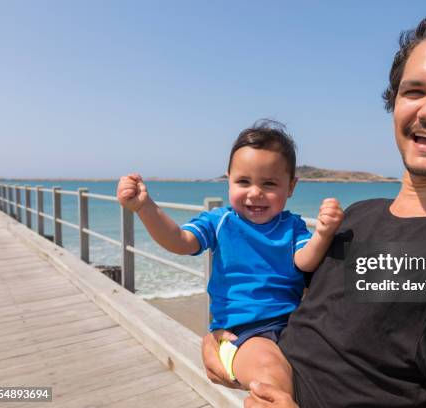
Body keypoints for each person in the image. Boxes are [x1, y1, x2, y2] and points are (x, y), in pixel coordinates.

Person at [202, 16, 426, 407]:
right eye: (414, 91)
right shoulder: (357, 220)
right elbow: (308, 327)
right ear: (394, 104)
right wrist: (231, 348)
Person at [116, 121, 344, 395]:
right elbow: (179, 241)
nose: (255, 192)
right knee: (270, 375)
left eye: (269, 183)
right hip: (244, 331)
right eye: (243, 181)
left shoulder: (292, 226)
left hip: (294, 324)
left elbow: (305, 261)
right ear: (229, 180)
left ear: (291, 186)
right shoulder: (220, 221)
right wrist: (145, 208)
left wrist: (322, 232)